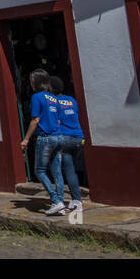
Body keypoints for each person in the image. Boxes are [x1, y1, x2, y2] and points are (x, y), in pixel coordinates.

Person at [19, 68, 65, 215]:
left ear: (36, 82)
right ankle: (61, 202)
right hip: (58, 136)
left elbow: (35, 120)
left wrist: (26, 139)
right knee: (57, 172)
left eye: (32, 80)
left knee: (39, 170)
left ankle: (55, 200)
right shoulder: (53, 98)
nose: (30, 83)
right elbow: (58, 119)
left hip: (45, 138)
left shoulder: (37, 97)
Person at [48, 74, 85, 214]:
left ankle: (61, 202)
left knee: (64, 171)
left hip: (64, 139)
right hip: (79, 138)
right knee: (71, 170)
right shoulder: (71, 100)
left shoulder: (53, 103)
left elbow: (55, 122)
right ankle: (76, 200)